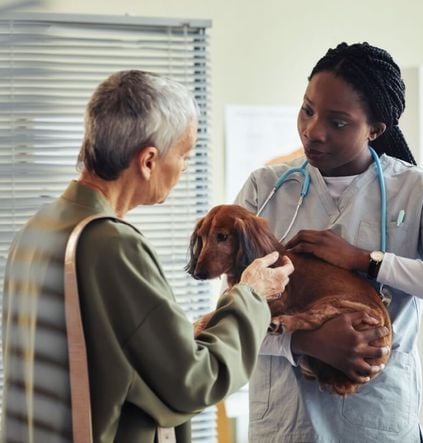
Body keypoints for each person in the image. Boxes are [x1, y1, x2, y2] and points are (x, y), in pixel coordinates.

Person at [234, 42, 423, 442]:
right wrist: (302, 341)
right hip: (285, 427)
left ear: (375, 129)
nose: (314, 131)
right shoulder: (266, 189)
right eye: (308, 110)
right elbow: (231, 316)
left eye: (338, 122)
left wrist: (369, 261)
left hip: (375, 425)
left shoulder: (418, 192)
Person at [2, 70, 294, 443]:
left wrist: (186, 333)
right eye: (184, 155)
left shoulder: (38, 229)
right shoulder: (110, 243)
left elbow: (102, 354)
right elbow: (195, 381)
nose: (186, 167)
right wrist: (251, 294)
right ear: (149, 160)